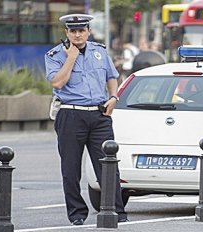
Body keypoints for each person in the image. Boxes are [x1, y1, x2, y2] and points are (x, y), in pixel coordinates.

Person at [44, 13, 128, 226]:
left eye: (82, 30)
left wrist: (114, 97)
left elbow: (112, 76)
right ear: (67, 32)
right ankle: (77, 214)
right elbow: (58, 83)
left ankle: (116, 209)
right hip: (71, 114)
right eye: (73, 31)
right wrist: (71, 57)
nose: (78, 34)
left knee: (108, 165)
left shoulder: (99, 52)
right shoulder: (55, 55)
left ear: (88, 31)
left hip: (99, 115)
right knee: (71, 168)